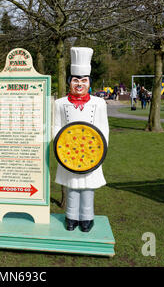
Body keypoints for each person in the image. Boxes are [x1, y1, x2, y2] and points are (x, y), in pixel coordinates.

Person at [54, 47, 109, 233]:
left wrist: (100, 153)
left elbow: (103, 129)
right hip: (68, 154)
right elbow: (56, 127)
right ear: (70, 82)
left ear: (89, 82)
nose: (79, 84)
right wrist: (60, 147)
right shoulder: (59, 104)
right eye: (76, 80)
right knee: (72, 187)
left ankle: (87, 218)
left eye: (83, 80)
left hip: (90, 155)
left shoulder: (99, 104)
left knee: (87, 188)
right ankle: (71, 217)